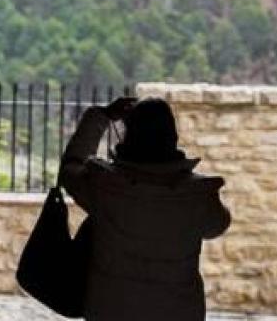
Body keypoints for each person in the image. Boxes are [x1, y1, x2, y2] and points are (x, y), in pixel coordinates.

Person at [58, 96, 231, 321]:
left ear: (130, 136)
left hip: (111, 309)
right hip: (176, 311)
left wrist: (101, 116)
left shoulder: (104, 187)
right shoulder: (196, 195)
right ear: (173, 137)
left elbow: (70, 169)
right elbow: (219, 224)